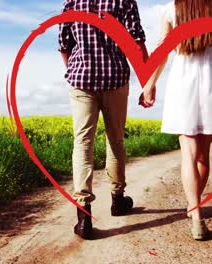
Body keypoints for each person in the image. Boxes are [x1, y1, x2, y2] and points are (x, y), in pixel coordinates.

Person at [139, 0, 212, 240]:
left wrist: (150, 84)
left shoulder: (171, 10)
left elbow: (162, 50)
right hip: (211, 83)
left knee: (188, 155)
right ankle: (194, 207)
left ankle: (196, 215)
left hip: (183, 85)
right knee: (203, 156)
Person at [58, 0, 151, 239]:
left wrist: (76, 71)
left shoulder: (72, 1)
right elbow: (137, 43)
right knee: (116, 140)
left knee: (82, 143)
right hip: (115, 79)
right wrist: (148, 83)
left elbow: (64, 44)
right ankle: (117, 200)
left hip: (81, 79)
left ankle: (83, 216)